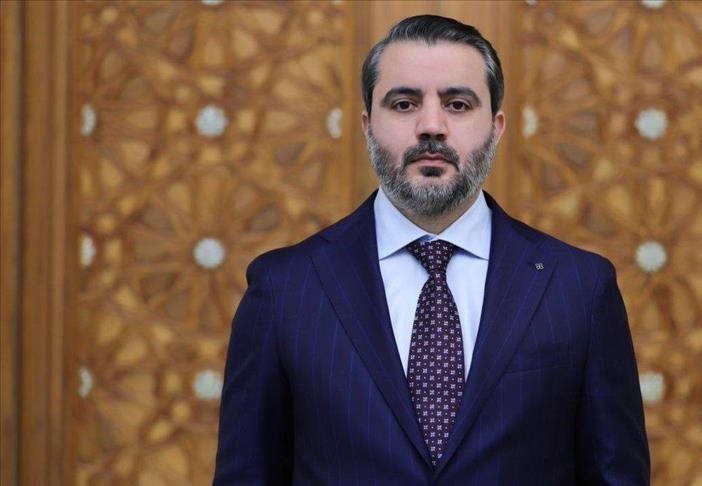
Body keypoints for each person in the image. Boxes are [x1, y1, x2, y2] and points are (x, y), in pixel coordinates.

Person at [214, 14, 649, 484]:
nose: (431, 126)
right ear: (367, 126)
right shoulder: (284, 290)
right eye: (404, 104)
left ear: (497, 127)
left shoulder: (580, 288)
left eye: (458, 104)